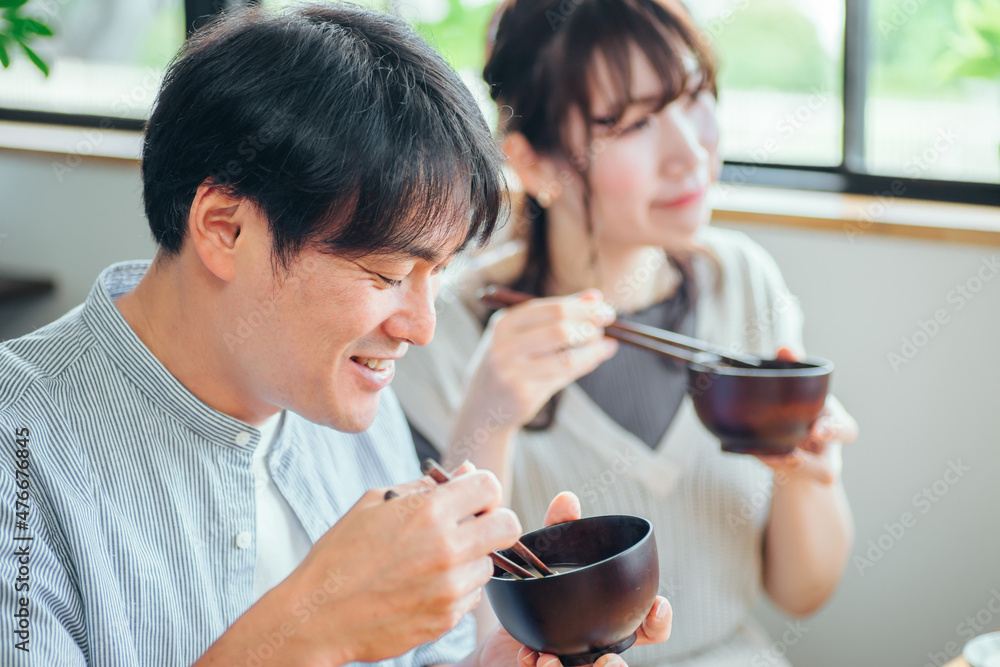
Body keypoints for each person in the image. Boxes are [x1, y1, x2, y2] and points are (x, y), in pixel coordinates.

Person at [0, 4, 673, 666]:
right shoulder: (18, 449)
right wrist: (315, 626)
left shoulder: (343, 388)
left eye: (436, 273)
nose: (420, 326)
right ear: (224, 229)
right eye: (385, 274)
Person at [394, 1, 859, 665]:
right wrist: (488, 417)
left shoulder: (743, 281)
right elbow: (447, 641)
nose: (690, 149)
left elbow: (802, 591)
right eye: (634, 122)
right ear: (536, 163)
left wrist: (809, 478)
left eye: (694, 94)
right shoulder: (446, 322)